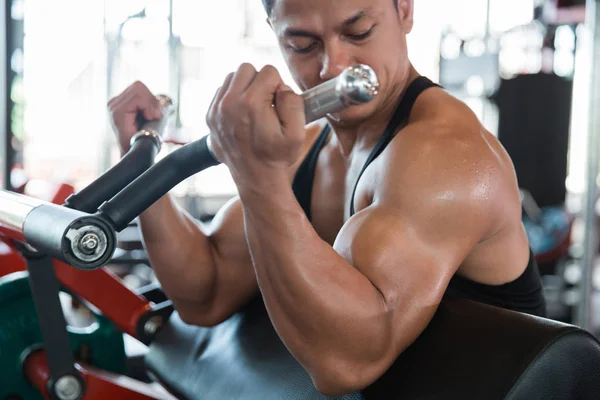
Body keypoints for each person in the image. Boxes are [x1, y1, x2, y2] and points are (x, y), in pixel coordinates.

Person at [108, 0, 546, 395]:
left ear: (405, 10)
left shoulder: (445, 154)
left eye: (358, 32)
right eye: (303, 45)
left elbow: (349, 362)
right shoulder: (307, 147)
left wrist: (259, 179)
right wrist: (139, 162)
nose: (333, 66)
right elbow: (207, 291)